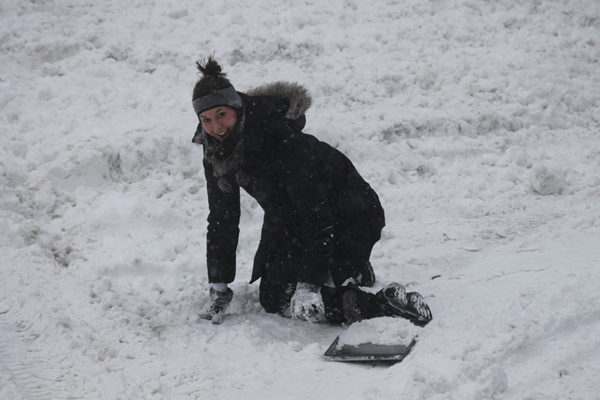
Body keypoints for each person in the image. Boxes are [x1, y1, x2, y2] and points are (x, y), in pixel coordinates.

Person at [191, 56, 432, 326]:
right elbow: (222, 216)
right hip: (290, 219)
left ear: (236, 107)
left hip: (350, 213)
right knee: (274, 297)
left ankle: (383, 304)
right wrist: (219, 286)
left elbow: (315, 211)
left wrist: (309, 284)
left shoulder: (278, 136)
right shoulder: (216, 148)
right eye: (206, 120)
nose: (216, 127)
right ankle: (347, 270)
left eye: (221, 115)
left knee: (297, 295)